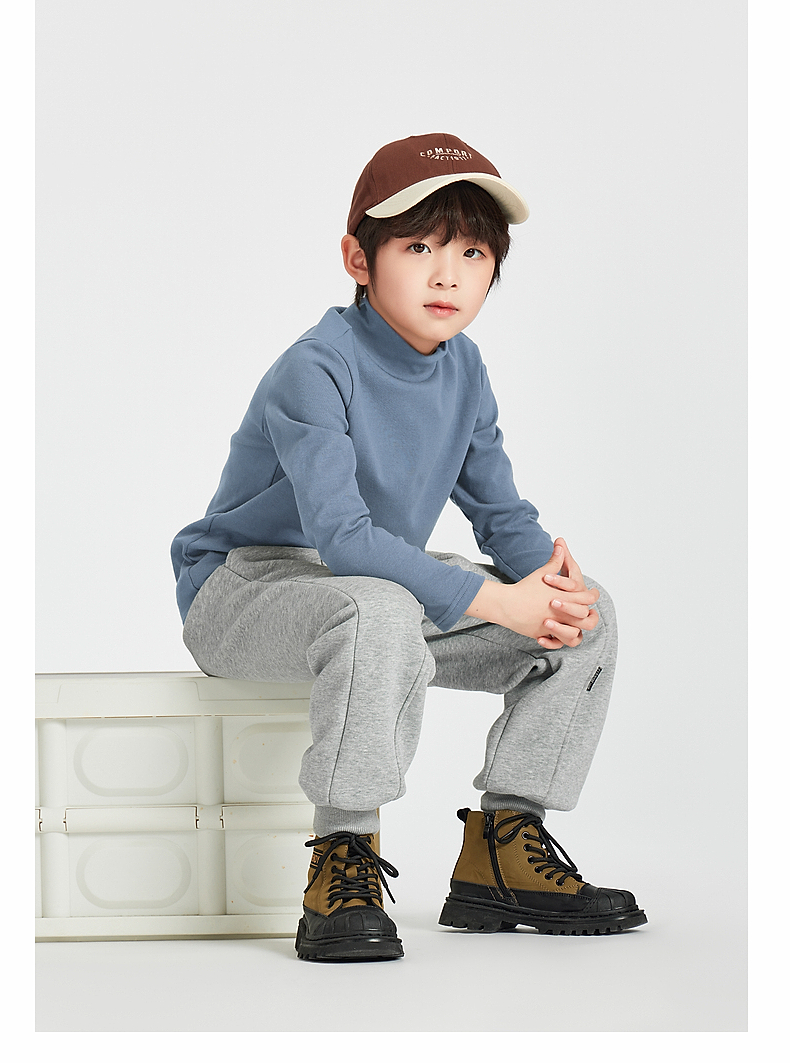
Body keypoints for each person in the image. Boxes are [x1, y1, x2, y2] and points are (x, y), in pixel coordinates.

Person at [171, 133, 647, 962]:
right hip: (247, 590)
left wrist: (546, 578)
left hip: (371, 592)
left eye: (472, 253)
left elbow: (499, 512)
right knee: (380, 606)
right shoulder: (316, 367)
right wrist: (495, 600)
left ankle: (504, 845)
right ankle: (342, 853)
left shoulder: (464, 370)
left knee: (589, 615)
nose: (447, 275)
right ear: (358, 259)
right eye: (419, 247)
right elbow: (343, 537)